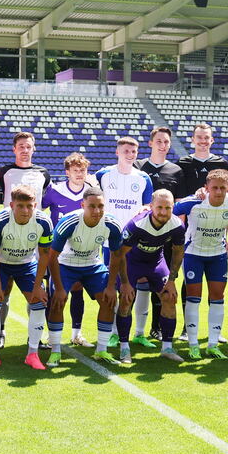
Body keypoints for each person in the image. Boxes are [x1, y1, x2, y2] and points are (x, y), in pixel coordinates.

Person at [173, 170, 228, 359]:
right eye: (214, 188)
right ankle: (193, 344)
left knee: (217, 297)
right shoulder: (193, 202)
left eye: (223, 188)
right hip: (193, 255)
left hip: (217, 255)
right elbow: (167, 210)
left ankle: (213, 344)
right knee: (193, 298)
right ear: (206, 188)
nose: (219, 192)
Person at [47, 188, 125, 364]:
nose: (97, 211)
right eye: (92, 206)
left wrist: (112, 286)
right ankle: (56, 350)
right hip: (66, 264)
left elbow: (116, 255)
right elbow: (52, 257)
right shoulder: (69, 222)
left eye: (100, 206)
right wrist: (59, 288)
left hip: (92, 265)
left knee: (108, 300)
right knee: (58, 302)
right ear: (83, 205)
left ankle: (102, 350)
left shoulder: (112, 224)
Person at [0, 186, 53, 370]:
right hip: (0, 263)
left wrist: (38, 286)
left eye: (29, 206)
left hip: (26, 264)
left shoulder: (44, 222)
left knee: (38, 302)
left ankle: (32, 354)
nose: (25, 210)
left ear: (35, 205)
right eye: (20, 206)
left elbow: (45, 254)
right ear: (12, 205)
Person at [95, 137, 154, 347]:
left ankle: (139, 332)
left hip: (135, 241)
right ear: (117, 152)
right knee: (111, 285)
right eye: (127, 151)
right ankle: (111, 331)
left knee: (139, 285)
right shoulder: (103, 175)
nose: (131, 155)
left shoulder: (144, 178)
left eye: (134, 151)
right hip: (108, 241)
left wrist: (145, 208)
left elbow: (148, 206)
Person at [115, 190, 186, 363]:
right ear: (151, 206)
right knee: (126, 299)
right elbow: (120, 254)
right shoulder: (137, 225)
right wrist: (125, 283)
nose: (163, 212)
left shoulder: (177, 225)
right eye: (159, 207)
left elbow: (178, 251)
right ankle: (124, 347)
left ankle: (167, 347)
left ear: (173, 207)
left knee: (170, 297)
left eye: (167, 208)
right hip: (132, 262)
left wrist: (171, 280)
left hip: (156, 262)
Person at [134, 126, 184, 342]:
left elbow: (179, 205)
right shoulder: (138, 166)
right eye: (159, 141)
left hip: (166, 235)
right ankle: (129, 332)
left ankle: (157, 328)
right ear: (150, 143)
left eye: (166, 142)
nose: (162, 145)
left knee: (162, 284)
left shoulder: (176, 170)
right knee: (133, 284)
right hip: (139, 233)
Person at [41, 152, 95, 348]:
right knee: (55, 292)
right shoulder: (54, 190)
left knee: (78, 291)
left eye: (83, 170)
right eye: (75, 170)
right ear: (67, 172)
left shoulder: (91, 191)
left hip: (83, 250)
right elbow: (39, 210)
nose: (79, 173)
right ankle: (50, 334)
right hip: (57, 252)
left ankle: (76, 334)